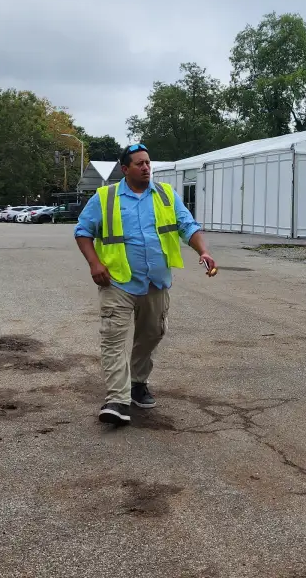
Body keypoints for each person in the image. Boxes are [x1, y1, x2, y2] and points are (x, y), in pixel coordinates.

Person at [73, 143, 216, 427]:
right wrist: (94, 264)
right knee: (113, 338)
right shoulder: (105, 197)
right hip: (117, 282)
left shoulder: (165, 195)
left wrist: (203, 251)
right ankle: (117, 399)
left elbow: (187, 225)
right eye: (139, 164)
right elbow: (82, 231)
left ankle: (137, 382)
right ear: (125, 170)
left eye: (148, 163)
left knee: (152, 334)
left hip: (156, 282)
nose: (146, 167)